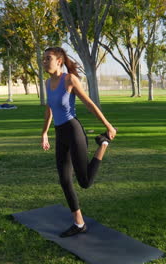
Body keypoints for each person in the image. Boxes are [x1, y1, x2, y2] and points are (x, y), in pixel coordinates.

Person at [41, 47, 117, 238]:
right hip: (60, 134)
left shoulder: (69, 80)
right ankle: (79, 223)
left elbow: (90, 104)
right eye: (43, 59)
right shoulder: (47, 82)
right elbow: (49, 109)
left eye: (47, 58)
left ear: (59, 60)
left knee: (85, 182)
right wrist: (44, 133)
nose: (44, 62)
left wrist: (108, 125)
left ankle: (104, 143)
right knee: (65, 180)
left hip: (73, 132)